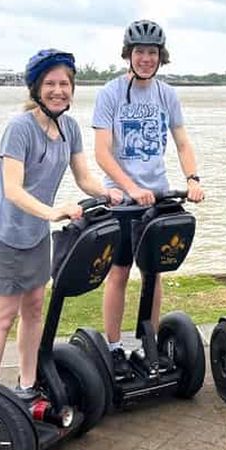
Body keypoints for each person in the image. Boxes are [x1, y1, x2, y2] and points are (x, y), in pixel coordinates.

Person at [0, 49, 122, 401]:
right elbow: (12, 189)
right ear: (36, 88)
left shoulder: (69, 128)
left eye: (65, 84)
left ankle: (28, 385)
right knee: (3, 316)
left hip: (36, 236)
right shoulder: (19, 128)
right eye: (51, 83)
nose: (59, 90)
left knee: (35, 307)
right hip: (4, 234)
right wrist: (53, 212)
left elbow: (84, 177)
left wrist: (109, 193)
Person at [93, 19, 204, 377]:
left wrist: (192, 178)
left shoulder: (166, 94)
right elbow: (102, 152)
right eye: (139, 52)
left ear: (161, 57)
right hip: (122, 201)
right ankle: (112, 347)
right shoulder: (110, 93)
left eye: (152, 53)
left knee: (154, 273)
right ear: (128, 55)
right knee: (120, 272)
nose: (145, 58)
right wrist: (129, 188)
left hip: (158, 198)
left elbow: (182, 141)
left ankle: (148, 342)